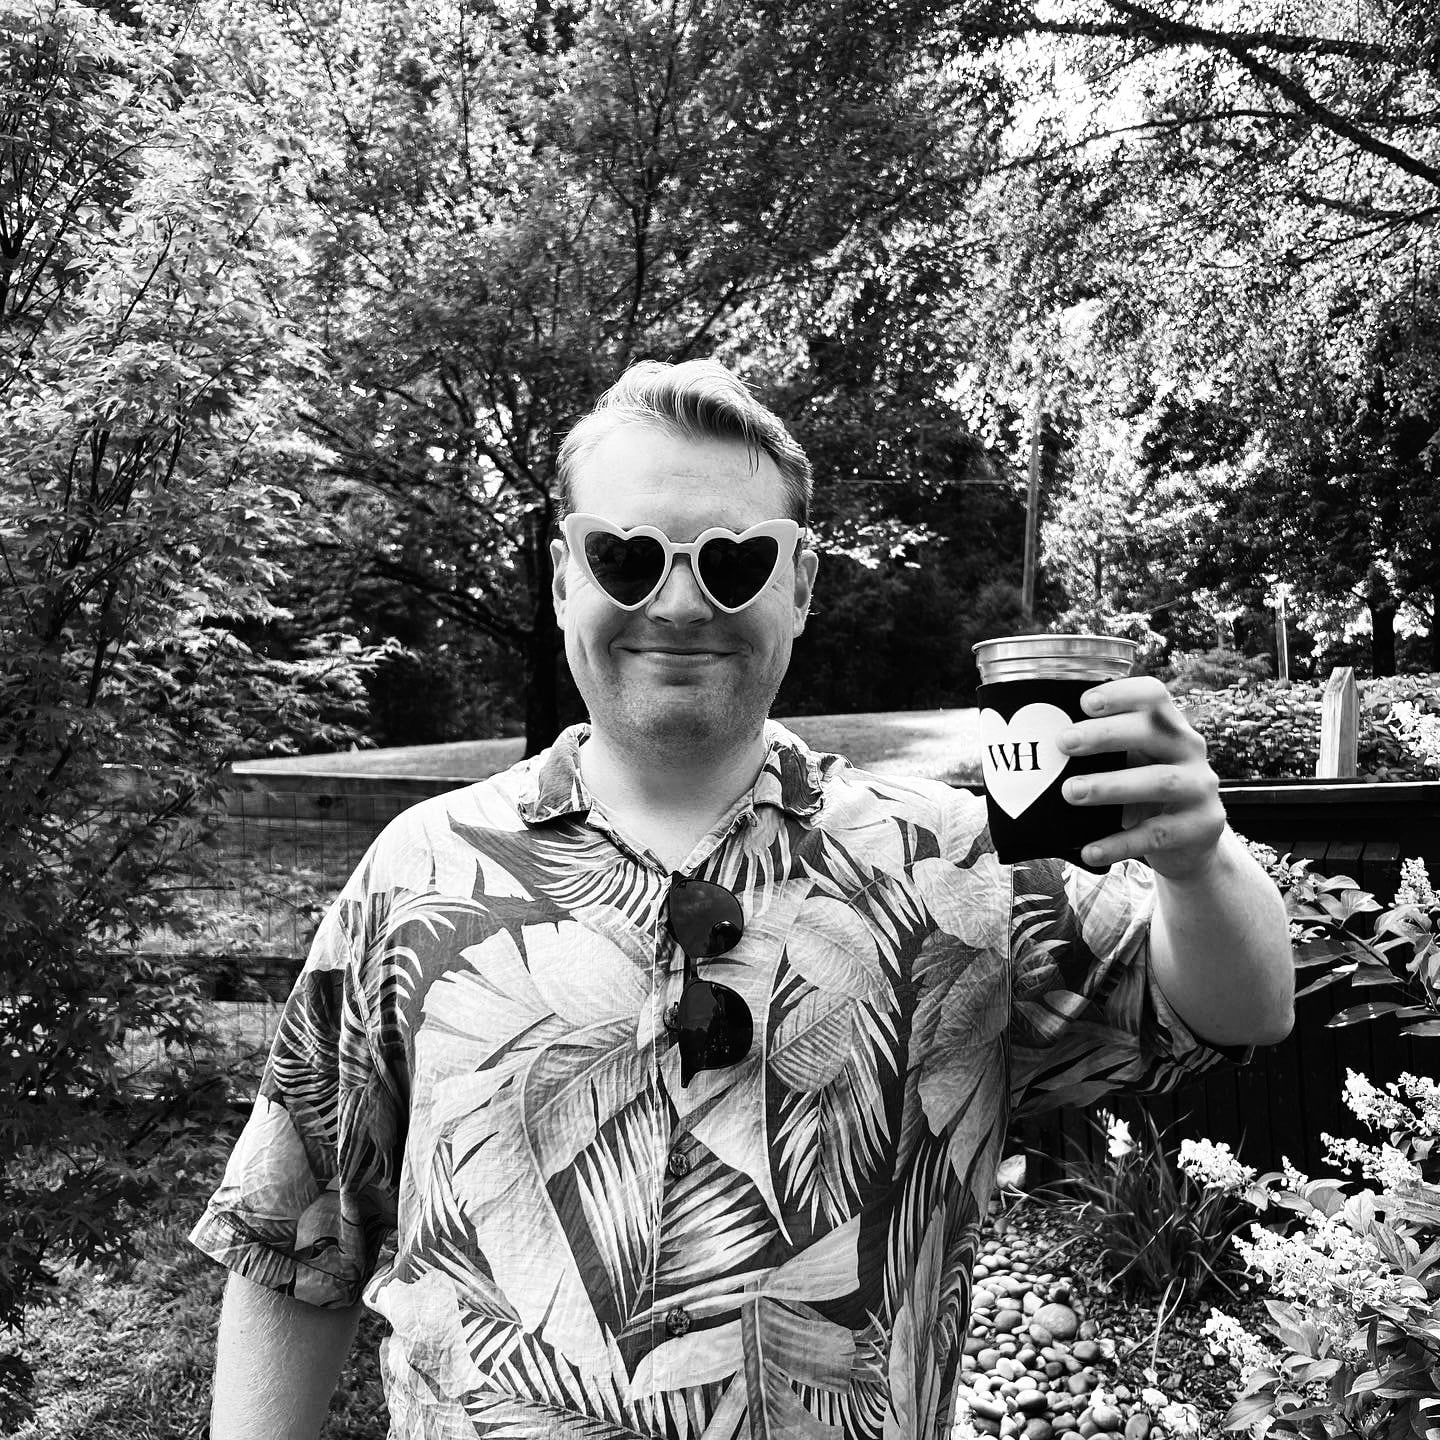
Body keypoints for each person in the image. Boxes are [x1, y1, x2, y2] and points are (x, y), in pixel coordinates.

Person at [192, 359, 1294, 1440]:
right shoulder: (421, 871)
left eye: (733, 560)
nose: (678, 603)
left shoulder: (959, 861)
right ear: (566, 577)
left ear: (800, 584)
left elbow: (1241, 1011)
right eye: (627, 557)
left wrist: (1201, 862)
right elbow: (295, 1240)